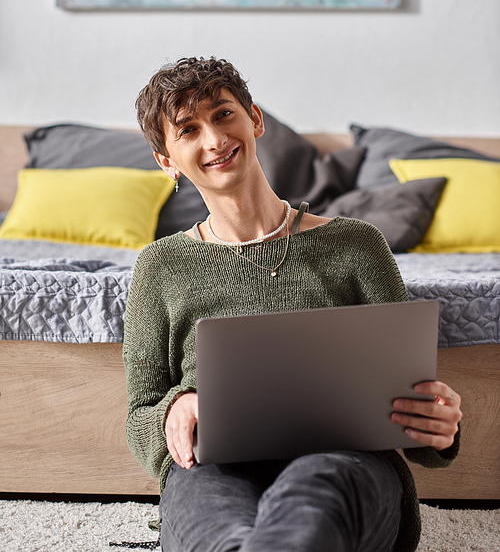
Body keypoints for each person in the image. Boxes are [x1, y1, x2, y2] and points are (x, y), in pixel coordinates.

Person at [123, 57, 462, 552]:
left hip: (345, 462)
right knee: (220, 535)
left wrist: (439, 425)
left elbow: (410, 407)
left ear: (254, 119)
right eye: (188, 130)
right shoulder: (160, 266)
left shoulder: (357, 246)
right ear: (166, 160)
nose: (214, 140)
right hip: (212, 468)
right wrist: (176, 406)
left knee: (310, 509)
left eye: (222, 114)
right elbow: (139, 412)